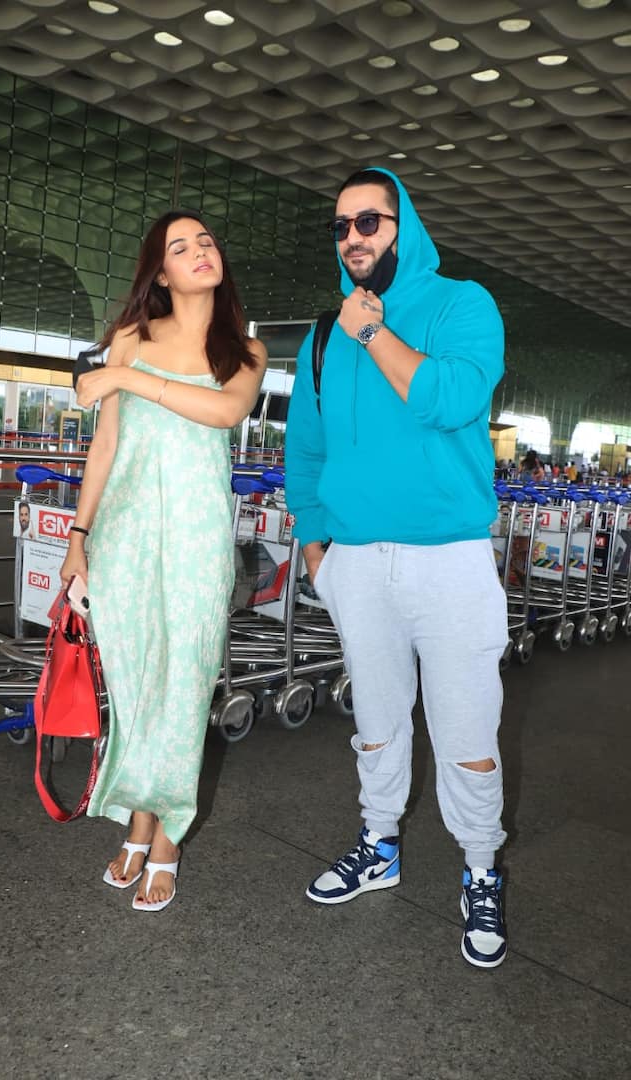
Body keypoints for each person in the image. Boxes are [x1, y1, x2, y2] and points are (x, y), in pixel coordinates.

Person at [285, 167, 509, 969]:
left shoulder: (463, 306)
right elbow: (304, 451)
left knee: (466, 733)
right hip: (355, 565)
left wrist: (373, 332)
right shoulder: (319, 337)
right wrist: (318, 552)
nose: (353, 238)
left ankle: (480, 867)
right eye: (342, 225)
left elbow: (448, 398)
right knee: (376, 726)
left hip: (448, 560)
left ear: (402, 226)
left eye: (369, 222)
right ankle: (378, 845)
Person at [61, 210, 266, 911]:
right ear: (162, 270)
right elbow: (107, 447)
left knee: (184, 682)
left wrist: (124, 377)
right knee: (138, 681)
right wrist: (78, 534)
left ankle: (167, 832)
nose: (199, 252)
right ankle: (142, 821)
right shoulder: (128, 337)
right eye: (181, 247)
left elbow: (222, 413)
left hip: (197, 536)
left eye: (206, 241)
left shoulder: (243, 350)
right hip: (124, 532)